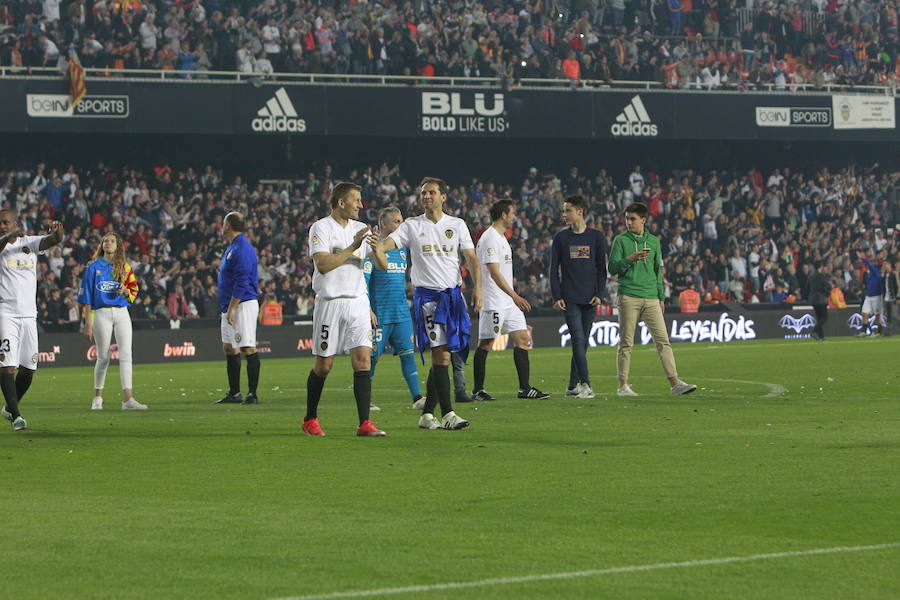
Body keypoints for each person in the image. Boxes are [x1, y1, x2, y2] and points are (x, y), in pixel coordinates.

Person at [371, 177, 481, 430]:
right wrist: (377, 247)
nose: (426, 197)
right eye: (423, 193)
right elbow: (386, 246)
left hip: (453, 297)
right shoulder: (411, 225)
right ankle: (449, 413)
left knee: (445, 354)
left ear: (443, 196)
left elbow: (472, 259)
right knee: (441, 354)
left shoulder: (457, 224)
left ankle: (427, 414)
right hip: (428, 299)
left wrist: (479, 290)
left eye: (431, 192)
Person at [304, 182, 385, 437]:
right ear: (341, 203)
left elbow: (381, 264)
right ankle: (310, 419)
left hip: (357, 301)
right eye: (356, 200)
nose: (361, 204)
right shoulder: (321, 228)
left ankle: (365, 423)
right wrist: (353, 246)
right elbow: (324, 265)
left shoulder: (362, 229)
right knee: (324, 366)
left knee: (362, 362)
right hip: (330, 302)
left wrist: (376, 247)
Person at [608, 203, 696, 397]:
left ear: (643, 220)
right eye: (627, 218)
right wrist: (629, 259)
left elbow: (658, 271)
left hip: (651, 298)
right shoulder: (620, 241)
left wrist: (661, 297)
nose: (629, 222)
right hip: (628, 295)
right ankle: (623, 386)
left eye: (633, 219)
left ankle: (675, 383)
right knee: (626, 343)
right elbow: (612, 268)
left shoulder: (654, 242)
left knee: (663, 341)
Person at [472, 199, 549, 401]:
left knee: (523, 339)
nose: (515, 217)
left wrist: (512, 297)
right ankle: (478, 390)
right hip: (494, 300)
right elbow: (494, 273)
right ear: (503, 215)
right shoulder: (489, 238)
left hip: (508, 301)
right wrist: (515, 295)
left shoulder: (501, 237)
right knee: (486, 344)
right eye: (513, 213)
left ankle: (525, 389)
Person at [0, 212, 63, 431]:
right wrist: (7, 235)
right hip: (5, 313)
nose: (1, 225)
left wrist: (58, 232)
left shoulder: (29, 243)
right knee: (7, 365)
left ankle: (9, 407)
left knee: (29, 369)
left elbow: (52, 240)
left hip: (29, 315)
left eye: (5, 222)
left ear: (16, 223)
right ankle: (17, 416)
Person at [364, 207, 424, 410]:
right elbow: (363, 282)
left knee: (408, 354)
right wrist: (368, 309)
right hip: (379, 314)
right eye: (397, 221)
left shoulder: (402, 249)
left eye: (401, 220)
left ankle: (417, 398)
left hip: (401, 312)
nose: (401, 224)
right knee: (371, 359)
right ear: (384, 224)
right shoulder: (371, 250)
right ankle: (366, 399)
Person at [79, 232, 146, 410]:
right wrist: (88, 323)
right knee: (103, 357)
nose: (108, 243)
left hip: (122, 312)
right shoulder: (92, 267)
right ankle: (97, 397)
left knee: (126, 355)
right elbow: (86, 298)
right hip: (101, 313)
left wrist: (125, 290)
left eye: (112, 241)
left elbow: (134, 290)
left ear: (117, 246)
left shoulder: (125, 267)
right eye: (105, 241)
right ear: (101, 246)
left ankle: (128, 399)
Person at [549, 195, 607, 399]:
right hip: (570, 298)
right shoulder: (561, 238)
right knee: (578, 340)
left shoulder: (596, 237)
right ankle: (586, 384)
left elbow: (602, 269)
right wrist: (556, 296)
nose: (564, 215)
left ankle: (572, 385)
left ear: (580, 212)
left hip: (590, 299)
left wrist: (600, 294)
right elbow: (553, 270)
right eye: (564, 211)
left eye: (568, 211)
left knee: (583, 343)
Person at [214, 212, 262, 405]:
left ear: (228, 226)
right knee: (229, 347)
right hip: (230, 305)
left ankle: (252, 394)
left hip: (242, 304)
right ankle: (234, 393)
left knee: (247, 347)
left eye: (223, 222)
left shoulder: (242, 248)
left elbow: (242, 282)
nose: (221, 225)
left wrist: (233, 308)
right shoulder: (233, 247)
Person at [859, 256, 885, 336]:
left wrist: (862, 258)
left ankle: (879, 332)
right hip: (869, 296)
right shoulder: (871, 274)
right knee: (864, 313)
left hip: (877, 297)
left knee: (877, 315)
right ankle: (863, 332)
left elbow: (869, 265)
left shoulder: (877, 272)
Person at [806, 261, 831, 341]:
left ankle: (821, 336)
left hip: (813, 299)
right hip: (821, 299)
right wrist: (827, 292)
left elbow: (806, 287)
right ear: (821, 267)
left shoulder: (811, 276)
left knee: (819, 318)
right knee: (824, 318)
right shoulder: (822, 276)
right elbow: (827, 286)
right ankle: (814, 331)